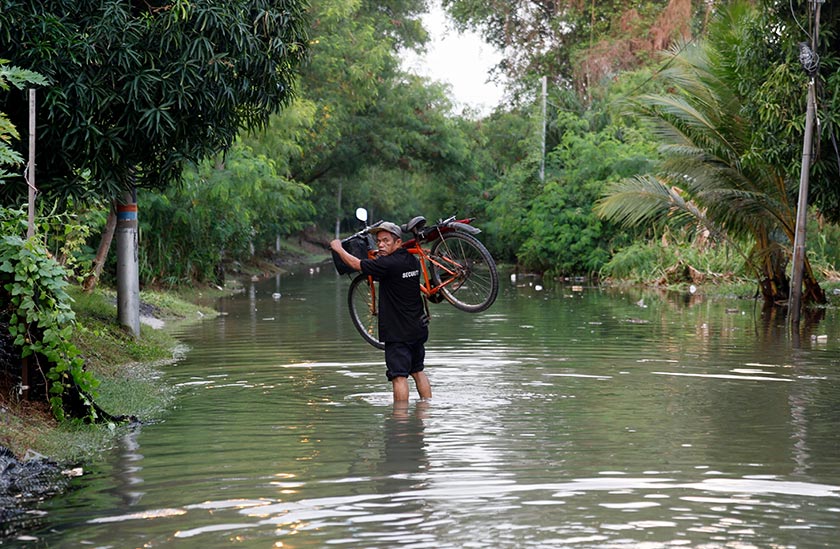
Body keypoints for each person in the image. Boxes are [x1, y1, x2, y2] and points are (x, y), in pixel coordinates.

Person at [330, 222, 431, 402]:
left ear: (398, 243)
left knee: (399, 377)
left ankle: (400, 421)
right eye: (379, 242)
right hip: (417, 328)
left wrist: (338, 248)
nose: (381, 245)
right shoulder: (411, 261)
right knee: (418, 371)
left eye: (386, 241)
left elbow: (355, 263)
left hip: (398, 333)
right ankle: (427, 410)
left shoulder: (387, 265)